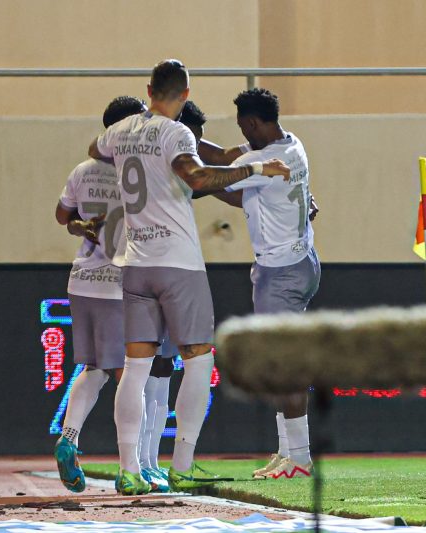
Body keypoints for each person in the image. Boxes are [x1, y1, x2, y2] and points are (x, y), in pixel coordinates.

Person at [89, 59, 291, 495]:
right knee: (199, 360)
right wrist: (257, 169)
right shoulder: (177, 132)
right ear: (184, 95)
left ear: (148, 90)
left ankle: (129, 470)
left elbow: (95, 150)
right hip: (178, 263)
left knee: (135, 369)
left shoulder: (120, 131)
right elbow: (197, 176)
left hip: (136, 263)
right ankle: (181, 465)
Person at [200, 88, 321, 479]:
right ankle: (288, 452)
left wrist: (182, 164)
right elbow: (226, 163)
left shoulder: (260, 161)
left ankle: (299, 457)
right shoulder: (292, 144)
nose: (241, 135)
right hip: (301, 262)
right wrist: (187, 137)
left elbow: (206, 177)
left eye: (242, 127)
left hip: (280, 273)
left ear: (252, 123)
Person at [53, 96, 148, 493]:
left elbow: (63, 215)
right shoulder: (136, 171)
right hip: (117, 284)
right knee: (130, 375)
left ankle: (68, 438)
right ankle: (132, 470)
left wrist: (81, 225)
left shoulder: (82, 170)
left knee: (94, 368)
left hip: (81, 281)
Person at [136, 100, 207, 487]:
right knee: (148, 369)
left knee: (155, 368)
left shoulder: (139, 156)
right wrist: (257, 175)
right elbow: (203, 181)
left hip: (141, 268)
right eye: (193, 139)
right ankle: (143, 462)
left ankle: (144, 463)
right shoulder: (167, 160)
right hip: (163, 268)